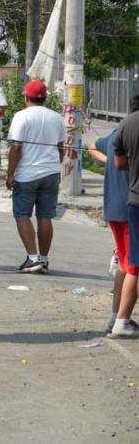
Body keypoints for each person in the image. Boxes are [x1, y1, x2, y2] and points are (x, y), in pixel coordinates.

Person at [91, 96, 139, 338]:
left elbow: (97, 149)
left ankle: (115, 317)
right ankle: (122, 319)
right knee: (132, 267)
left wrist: (109, 161)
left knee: (125, 265)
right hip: (128, 207)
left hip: (118, 207)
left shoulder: (120, 131)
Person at [6, 80, 65, 274]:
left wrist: (10, 174)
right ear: (45, 98)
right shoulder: (57, 117)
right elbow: (61, 148)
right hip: (51, 172)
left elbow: (16, 148)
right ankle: (44, 259)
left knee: (22, 215)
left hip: (27, 174)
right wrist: (56, 166)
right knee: (45, 216)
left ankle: (33, 258)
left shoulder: (21, 117)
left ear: (25, 97)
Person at [111, 96, 139, 339]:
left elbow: (120, 163)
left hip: (135, 200)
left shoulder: (127, 123)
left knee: (134, 266)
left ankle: (121, 321)